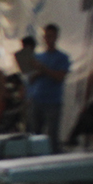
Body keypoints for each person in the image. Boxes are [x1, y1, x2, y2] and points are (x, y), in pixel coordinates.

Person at [27, 24, 71, 152]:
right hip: (37, 99)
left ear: (56, 37)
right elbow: (30, 79)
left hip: (53, 101)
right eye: (46, 36)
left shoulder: (62, 57)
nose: (48, 39)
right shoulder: (38, 57)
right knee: (35, 134)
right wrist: (37, 72)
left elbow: (60, 77)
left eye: (51, 36)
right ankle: (33, 159)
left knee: (52, 135)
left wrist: (43, 70)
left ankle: (52, 161)